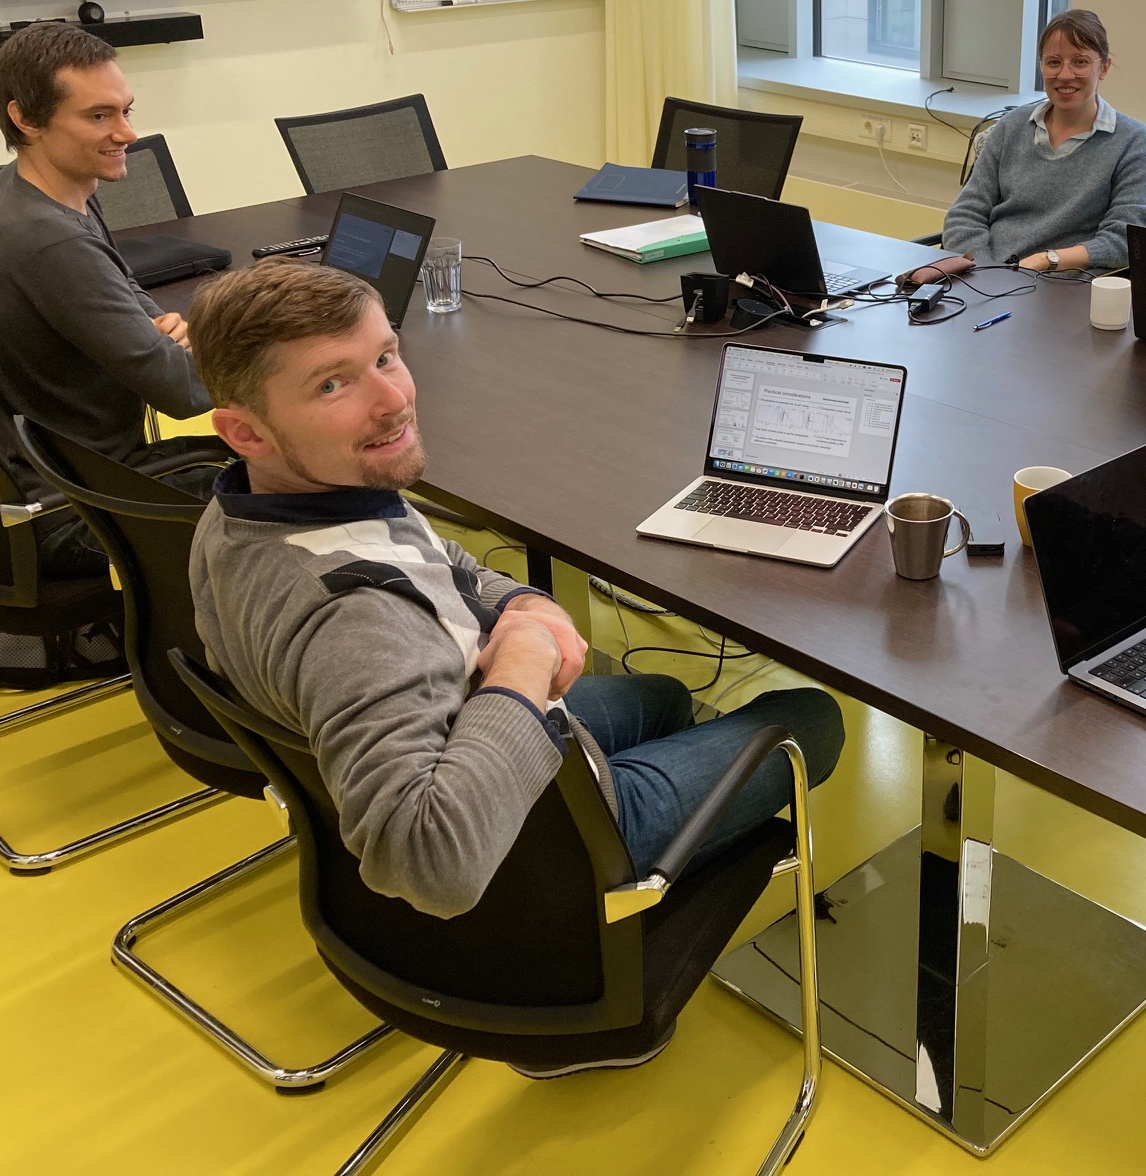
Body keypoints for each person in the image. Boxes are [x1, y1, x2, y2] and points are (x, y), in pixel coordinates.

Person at [185, 257, 844, 958]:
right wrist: (523, 664)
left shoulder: (260, 508)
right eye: (332, 383)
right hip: (539, 846)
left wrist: (527, 604)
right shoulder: (361, 624)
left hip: (471, 729)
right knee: (811, 716)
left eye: (384, 357)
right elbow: (431, 864)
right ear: (246, 431)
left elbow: (437, 563)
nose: (394, 400)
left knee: (664, 698)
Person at [0, 20, 216, 575]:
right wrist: (243, 350)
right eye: (99, 117)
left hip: (66, 464)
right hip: (82, 499)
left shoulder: (42, 187)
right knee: (303, 486)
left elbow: (125, 285)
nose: (127, 133)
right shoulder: (50, 239)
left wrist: (165, 335)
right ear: (25, 118)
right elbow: (183, 393)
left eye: (126, 110)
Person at [937, 9, 1146, 276]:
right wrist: (988, 274)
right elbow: (964, 216)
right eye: (1053, 62)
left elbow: (1125, 241)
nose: (1065, 75)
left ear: (1104, 67)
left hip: (1067, 286)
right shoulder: (1010, 127)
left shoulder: (1132, 141)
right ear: (1041, 67)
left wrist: (1047, 260)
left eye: (1080, 62)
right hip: (991, 276)